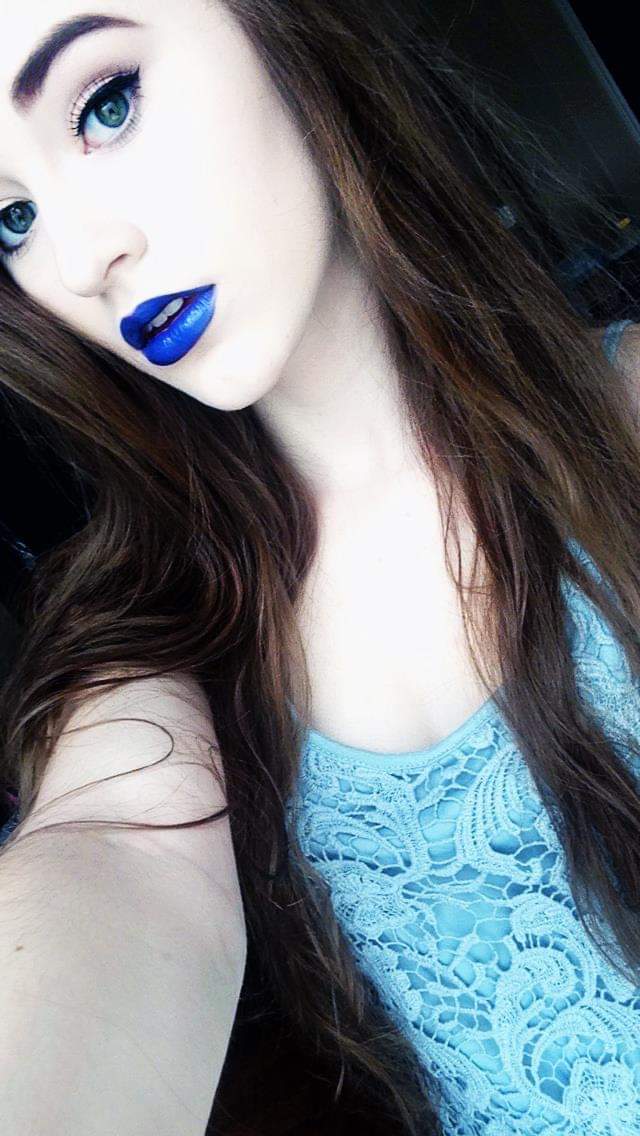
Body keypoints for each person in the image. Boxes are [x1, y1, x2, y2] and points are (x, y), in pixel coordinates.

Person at [0, 3, 639, 1134]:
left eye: (106, 103)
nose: (83, 257)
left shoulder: (624, 415)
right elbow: (108, 854)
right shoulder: (157, 644)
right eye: (10, 218)